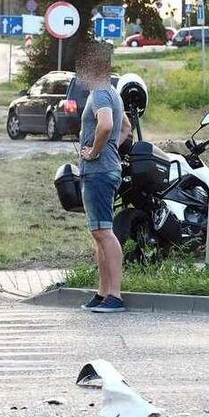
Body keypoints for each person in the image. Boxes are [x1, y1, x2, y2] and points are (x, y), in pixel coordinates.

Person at [76, 40, 131, 313]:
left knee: (104, 231)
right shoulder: (111, 91)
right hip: (105, 169)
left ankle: (115, 296)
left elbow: (107, 124)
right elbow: (126, 127)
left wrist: (96, 152)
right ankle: (103, 292)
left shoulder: (99, 93)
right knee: (99, 232)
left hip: (98, 171)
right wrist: (110, 149)